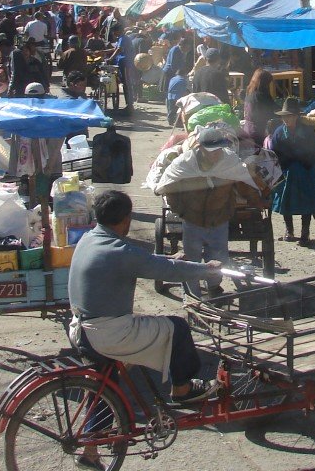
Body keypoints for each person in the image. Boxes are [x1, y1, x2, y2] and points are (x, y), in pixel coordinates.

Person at [67, 190, 222, 452]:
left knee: (103, 387)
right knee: (178, 327)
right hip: (109, 332)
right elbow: (159, 269)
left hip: (82, 329)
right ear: (126, 219)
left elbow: (147, 262)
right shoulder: (119, 249)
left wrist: (169, 260)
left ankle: (92, 450)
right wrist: (206, 271)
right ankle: (182, 389)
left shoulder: (90, 239)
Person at [156, 127, 260, 298]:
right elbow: (170, 187)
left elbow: (244, 183)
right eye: (212, 151)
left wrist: (257, 199)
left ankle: (213, 288)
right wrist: (180, 210)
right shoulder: (185, 163)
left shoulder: (229, 161)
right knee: (191, 259)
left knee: (219, 258)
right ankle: (193, 295)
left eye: (219, 150)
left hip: (219, 219)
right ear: (201, 148)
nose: (216, 154)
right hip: (192, 221)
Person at [270, 98, 315, 245]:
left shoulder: (307, 131)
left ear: (296, 116)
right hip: (286, 173)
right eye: (284, 116)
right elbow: (273, 155)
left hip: (306, 171)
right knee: (286, 202)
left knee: (307, 202)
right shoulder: (279, 133)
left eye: (290, 116)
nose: (286, 119)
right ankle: (289, 231)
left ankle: (305, 233)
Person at [242, 68, 278, 146]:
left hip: (247, 129)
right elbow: (274, 111)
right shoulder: (262, 96)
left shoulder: (250, 92)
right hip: (259, 132)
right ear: (265, 83)